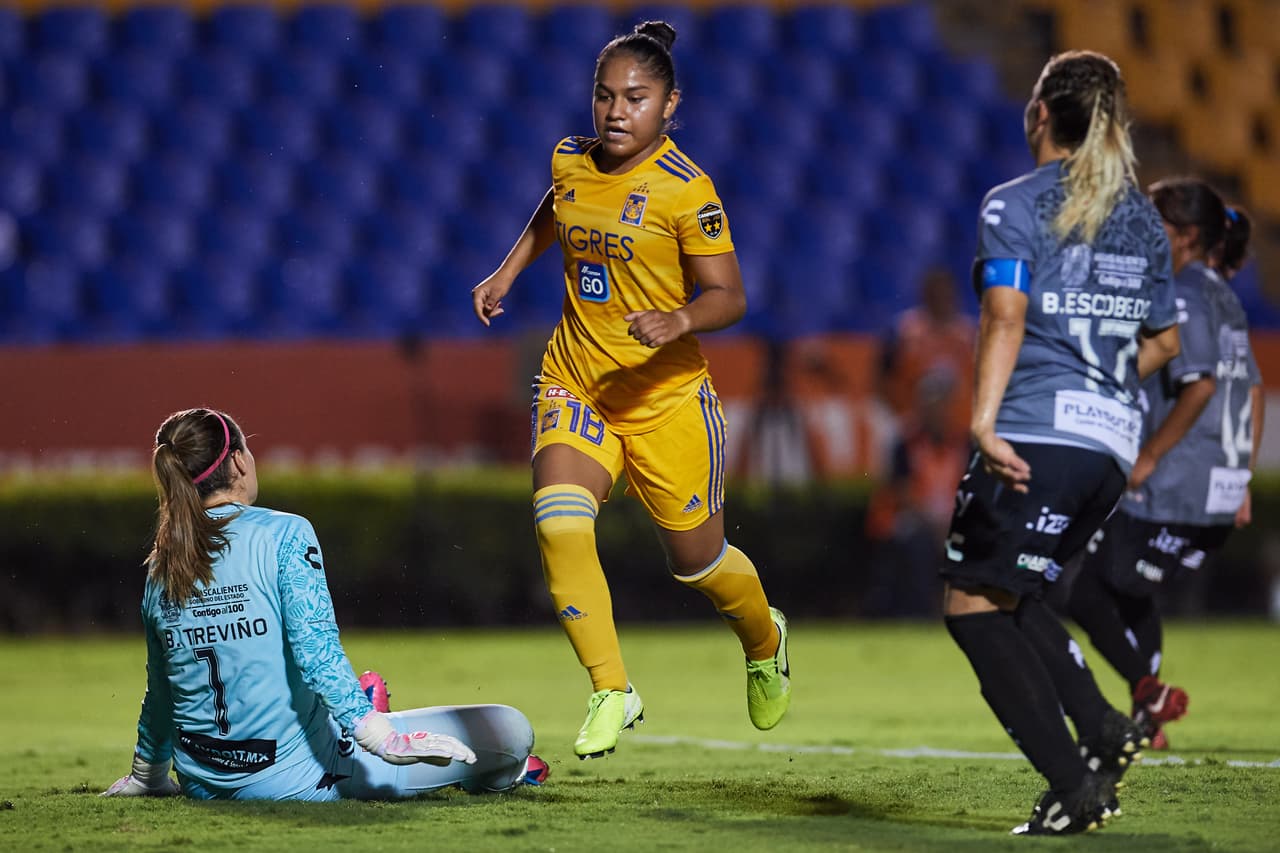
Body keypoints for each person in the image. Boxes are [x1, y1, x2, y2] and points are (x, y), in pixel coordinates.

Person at [471, 21, 790, 760]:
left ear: (670, 104)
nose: (616, 111)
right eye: (605, 95)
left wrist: (680, 317)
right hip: (576, 379)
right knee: (558, 523)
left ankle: (765, 639)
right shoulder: (570, 159)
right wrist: (508, 270)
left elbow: (730, 295)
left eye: (636, 98)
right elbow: (559, 207)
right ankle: (612, 687)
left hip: (666, 401)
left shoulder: (688, 190)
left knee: (700, 565)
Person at [939, 51, 1182, 835]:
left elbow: (1004, 316)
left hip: (1040, 433)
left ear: (1039, 112)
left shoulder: (1014, 203)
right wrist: (1104, 381)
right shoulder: (1141, 216)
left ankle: (1077, 784)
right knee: (1014, 591)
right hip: (1108, 445)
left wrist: (982, 420)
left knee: (972, 607)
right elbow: (1167, 343)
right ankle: (1105, 726)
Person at [103, 408, 543, 801]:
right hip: (298, 776)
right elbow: (314, 650)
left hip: (203, 781)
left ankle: (358, 710)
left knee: (342, 705)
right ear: (238, 460)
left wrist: (148, 774)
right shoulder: (285, 533)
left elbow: (162, 687)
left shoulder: (163, 559)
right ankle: (388, 726)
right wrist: (379, 737)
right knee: (510, 730)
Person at [1067, 184, 1264, 750]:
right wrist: (1242, 476)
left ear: (1184, 235)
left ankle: (1147, 692)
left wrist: (1149, 456)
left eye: (1154, 223)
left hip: (1174, 484)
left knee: (1087, 596)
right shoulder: (1223, 295)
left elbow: (1201, 384)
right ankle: (1148, 713)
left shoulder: (1182, 294)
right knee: (1133, 594)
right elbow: (1253, 392)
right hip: (1216, 489)